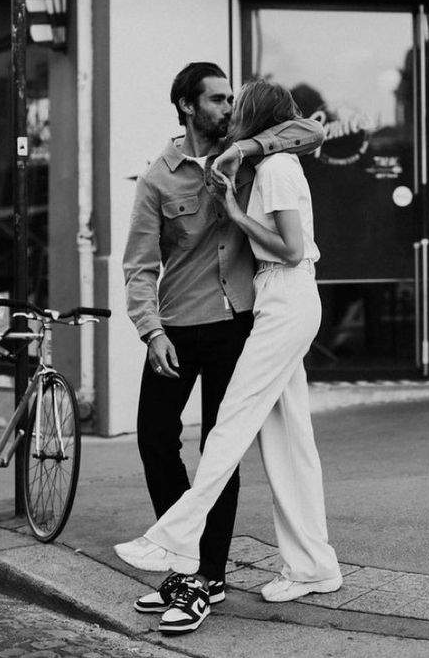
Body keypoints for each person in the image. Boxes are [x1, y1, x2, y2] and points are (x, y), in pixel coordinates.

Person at [117, 78, 341, 632]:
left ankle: (189, 560)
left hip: (248, 313)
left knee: (228, 433)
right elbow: (139, 265)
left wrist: (244, 150)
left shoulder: (262, 159)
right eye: (217, 99)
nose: (226, 109)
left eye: (233, 103)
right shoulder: (158, 177)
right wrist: (151, 331)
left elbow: (309, 129)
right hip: (185, 320)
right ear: (187, 106)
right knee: (182, 439)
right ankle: (312, 563)